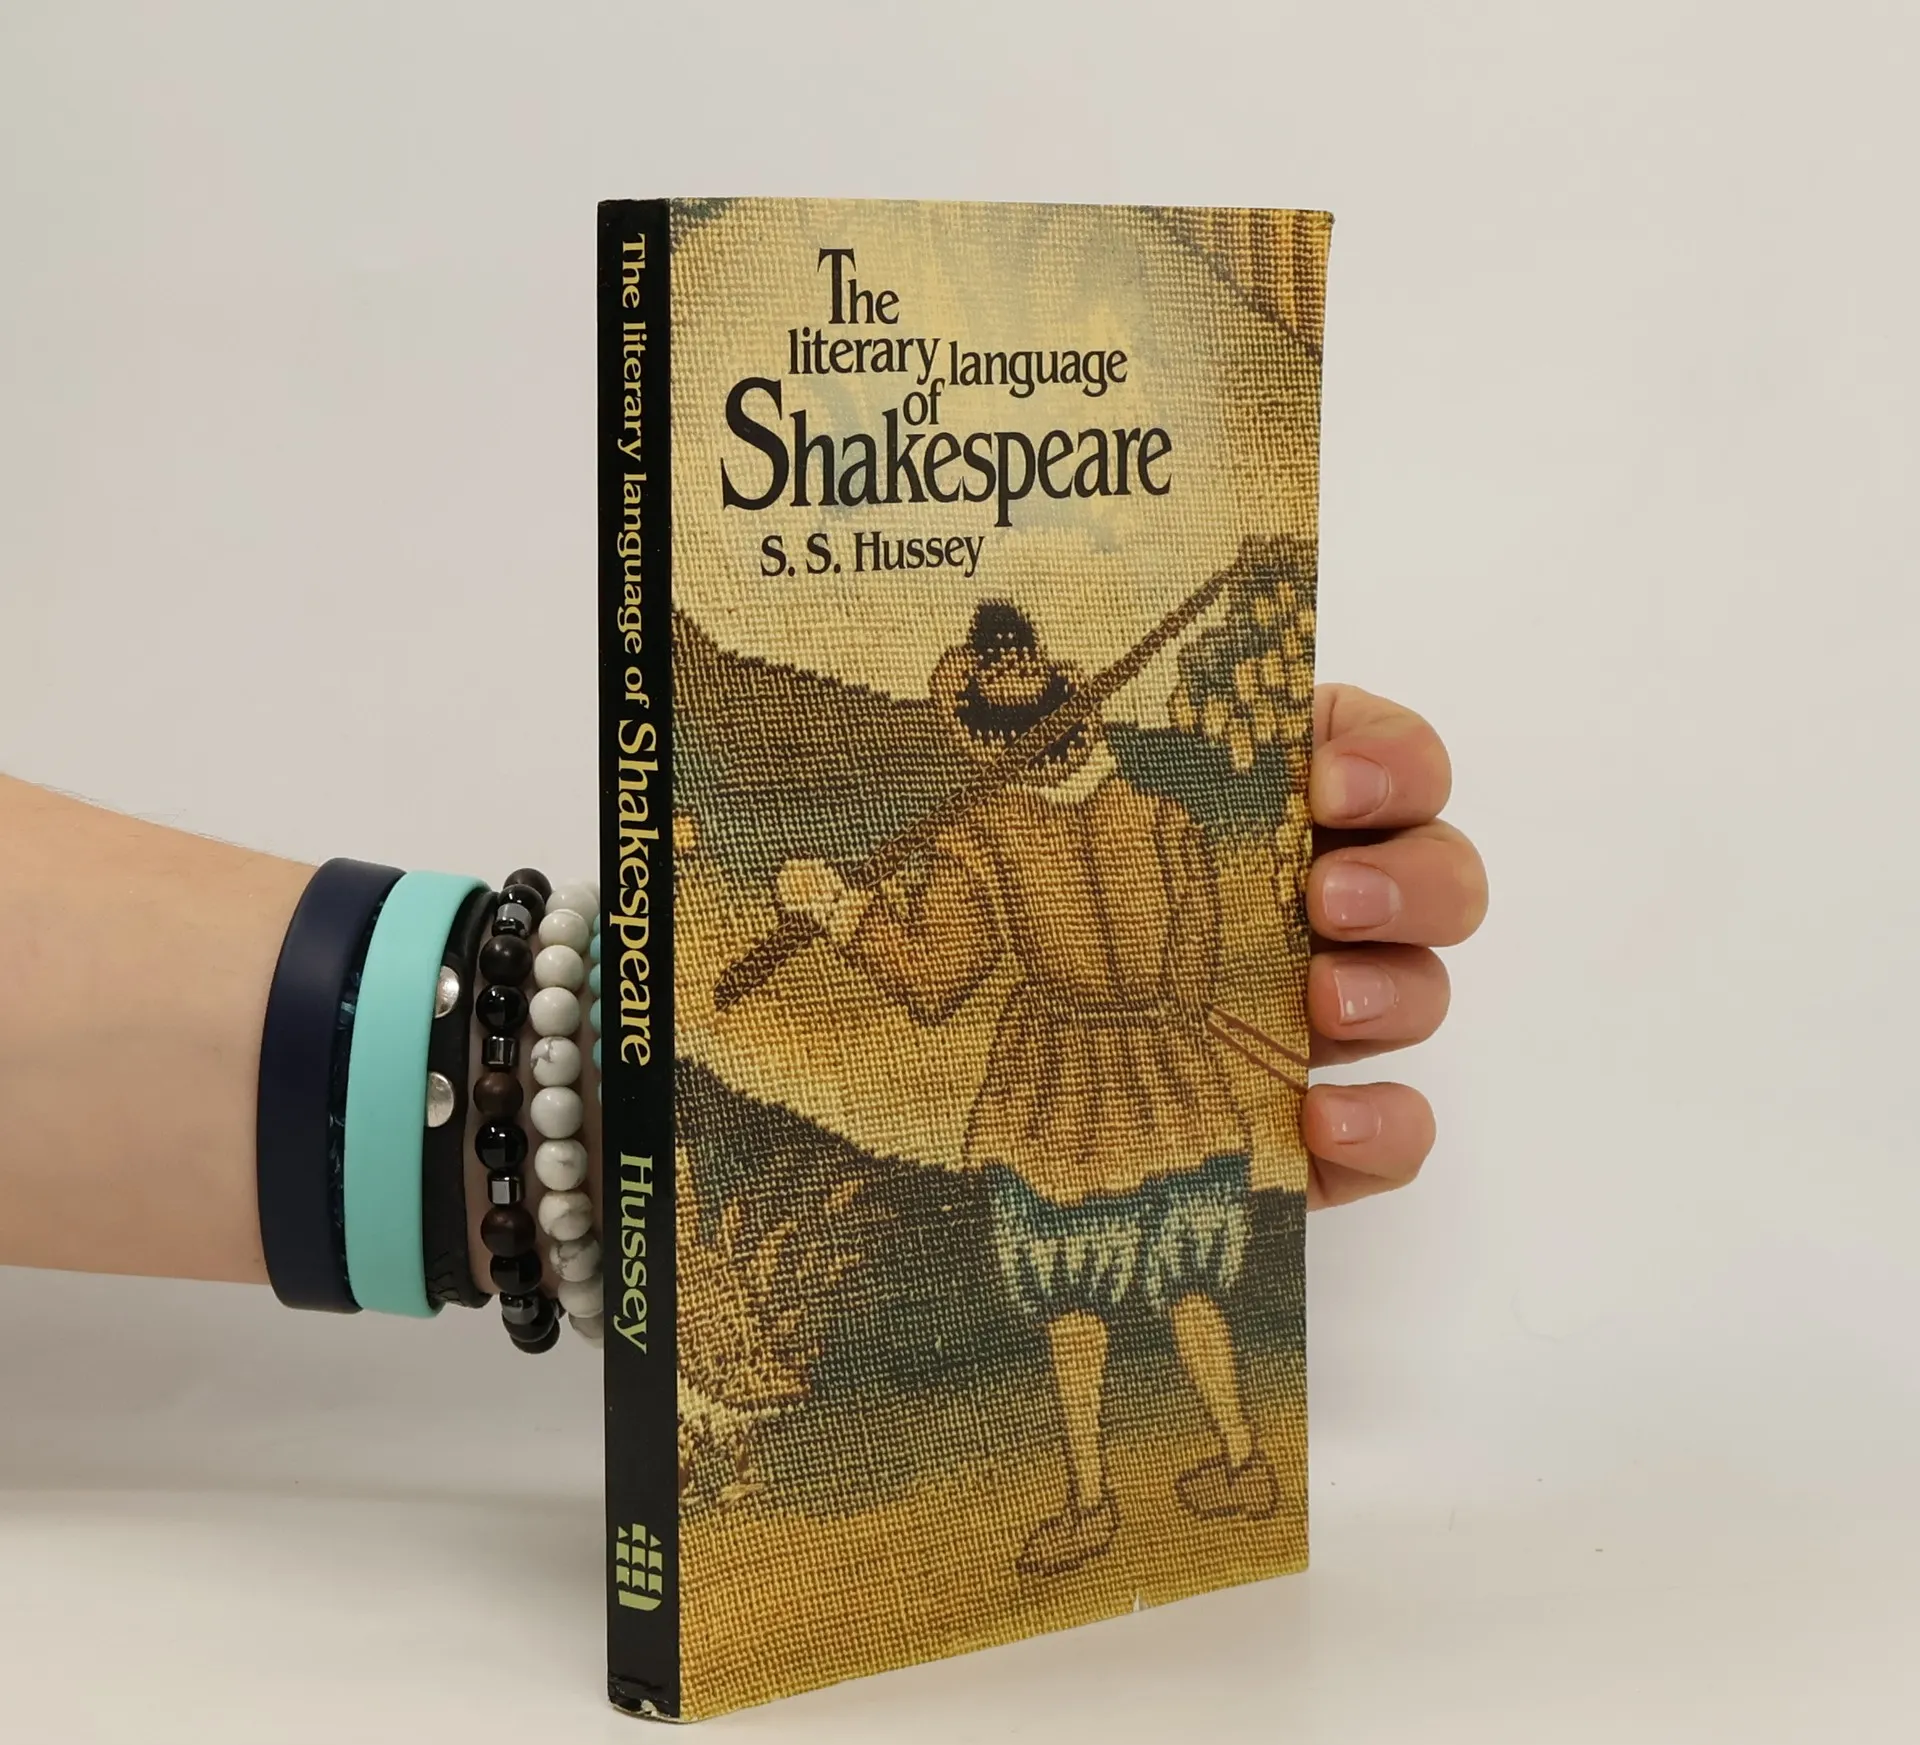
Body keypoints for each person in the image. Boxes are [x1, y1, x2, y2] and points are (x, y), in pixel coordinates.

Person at [0, 676, 1486, 1338]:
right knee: (1126, 1285)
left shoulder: (1068, 829)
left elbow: (946, 975)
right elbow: (957, 973)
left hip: (1094, 1077)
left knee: (1108, 1290)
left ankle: (1120, 1479)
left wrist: (819, 925)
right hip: (1130, 1077)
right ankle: (1114, 1483)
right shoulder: (1106, 829)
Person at [775, 604, 1488, 1573]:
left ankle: (1090, 1499)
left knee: (1076, 1304)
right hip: (1176, 1086)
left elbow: (935, 979)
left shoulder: (984, 841)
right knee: (1189, 1287)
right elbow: (1192, 981)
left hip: (1061, 1104)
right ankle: (1243, 1458)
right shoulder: (1165, 822)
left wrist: (839, 909)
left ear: (985, 742)